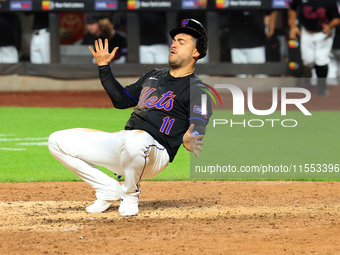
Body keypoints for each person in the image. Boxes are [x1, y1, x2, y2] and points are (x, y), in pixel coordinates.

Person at [48, 19, 212, 216]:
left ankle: (130, 193)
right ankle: (107, 188)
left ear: (196, 52)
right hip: (127, 143)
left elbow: (199, 123)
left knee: (137, 139)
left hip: (155, 153)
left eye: (182, 41)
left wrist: (191, 135)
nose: (174, 44)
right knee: (57, 140)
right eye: (174, 40)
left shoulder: (199, 90)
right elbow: (121, 100)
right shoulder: (154, 76)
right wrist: (104, 68)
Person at [288, 0, 340, 96]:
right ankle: (311, 80)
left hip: (324, 33)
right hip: (307, 31)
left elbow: (337, 18)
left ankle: (322, 88)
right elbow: (292, 8)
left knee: (321, 59)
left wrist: (329, 26)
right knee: (308, 61)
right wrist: (293, 26)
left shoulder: (329, 2)